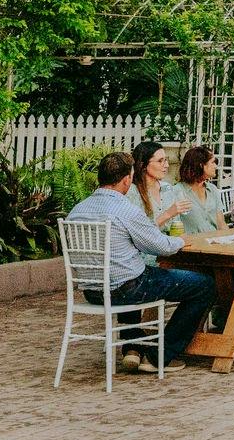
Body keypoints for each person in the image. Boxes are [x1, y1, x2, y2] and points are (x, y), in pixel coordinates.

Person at [65, 151, 215, 372]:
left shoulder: (77, 211)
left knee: (129, 272)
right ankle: (159, 357)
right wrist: (180, 241)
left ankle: (133, 347)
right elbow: (159, 246)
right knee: (205, 285)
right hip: (126, 288)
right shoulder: (125, 210)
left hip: (92, 291)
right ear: (127, 178)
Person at [130, 140, 185, 267]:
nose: (166, 165)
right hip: (146, 261)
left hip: (171, 254)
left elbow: (176, 228)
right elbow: (140, 234)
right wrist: (168, 214)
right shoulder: (133, 192)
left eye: (166, 160)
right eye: (160, 161)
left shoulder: (167, 188)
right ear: (143, 165)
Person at [159, 146, 226, 236]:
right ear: (201, 165)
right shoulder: (177, 192)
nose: (215, 166)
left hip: (215, 244)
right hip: (192, 246)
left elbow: (221, 224)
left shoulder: (212, 190)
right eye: (213, 162)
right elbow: (170, 227)